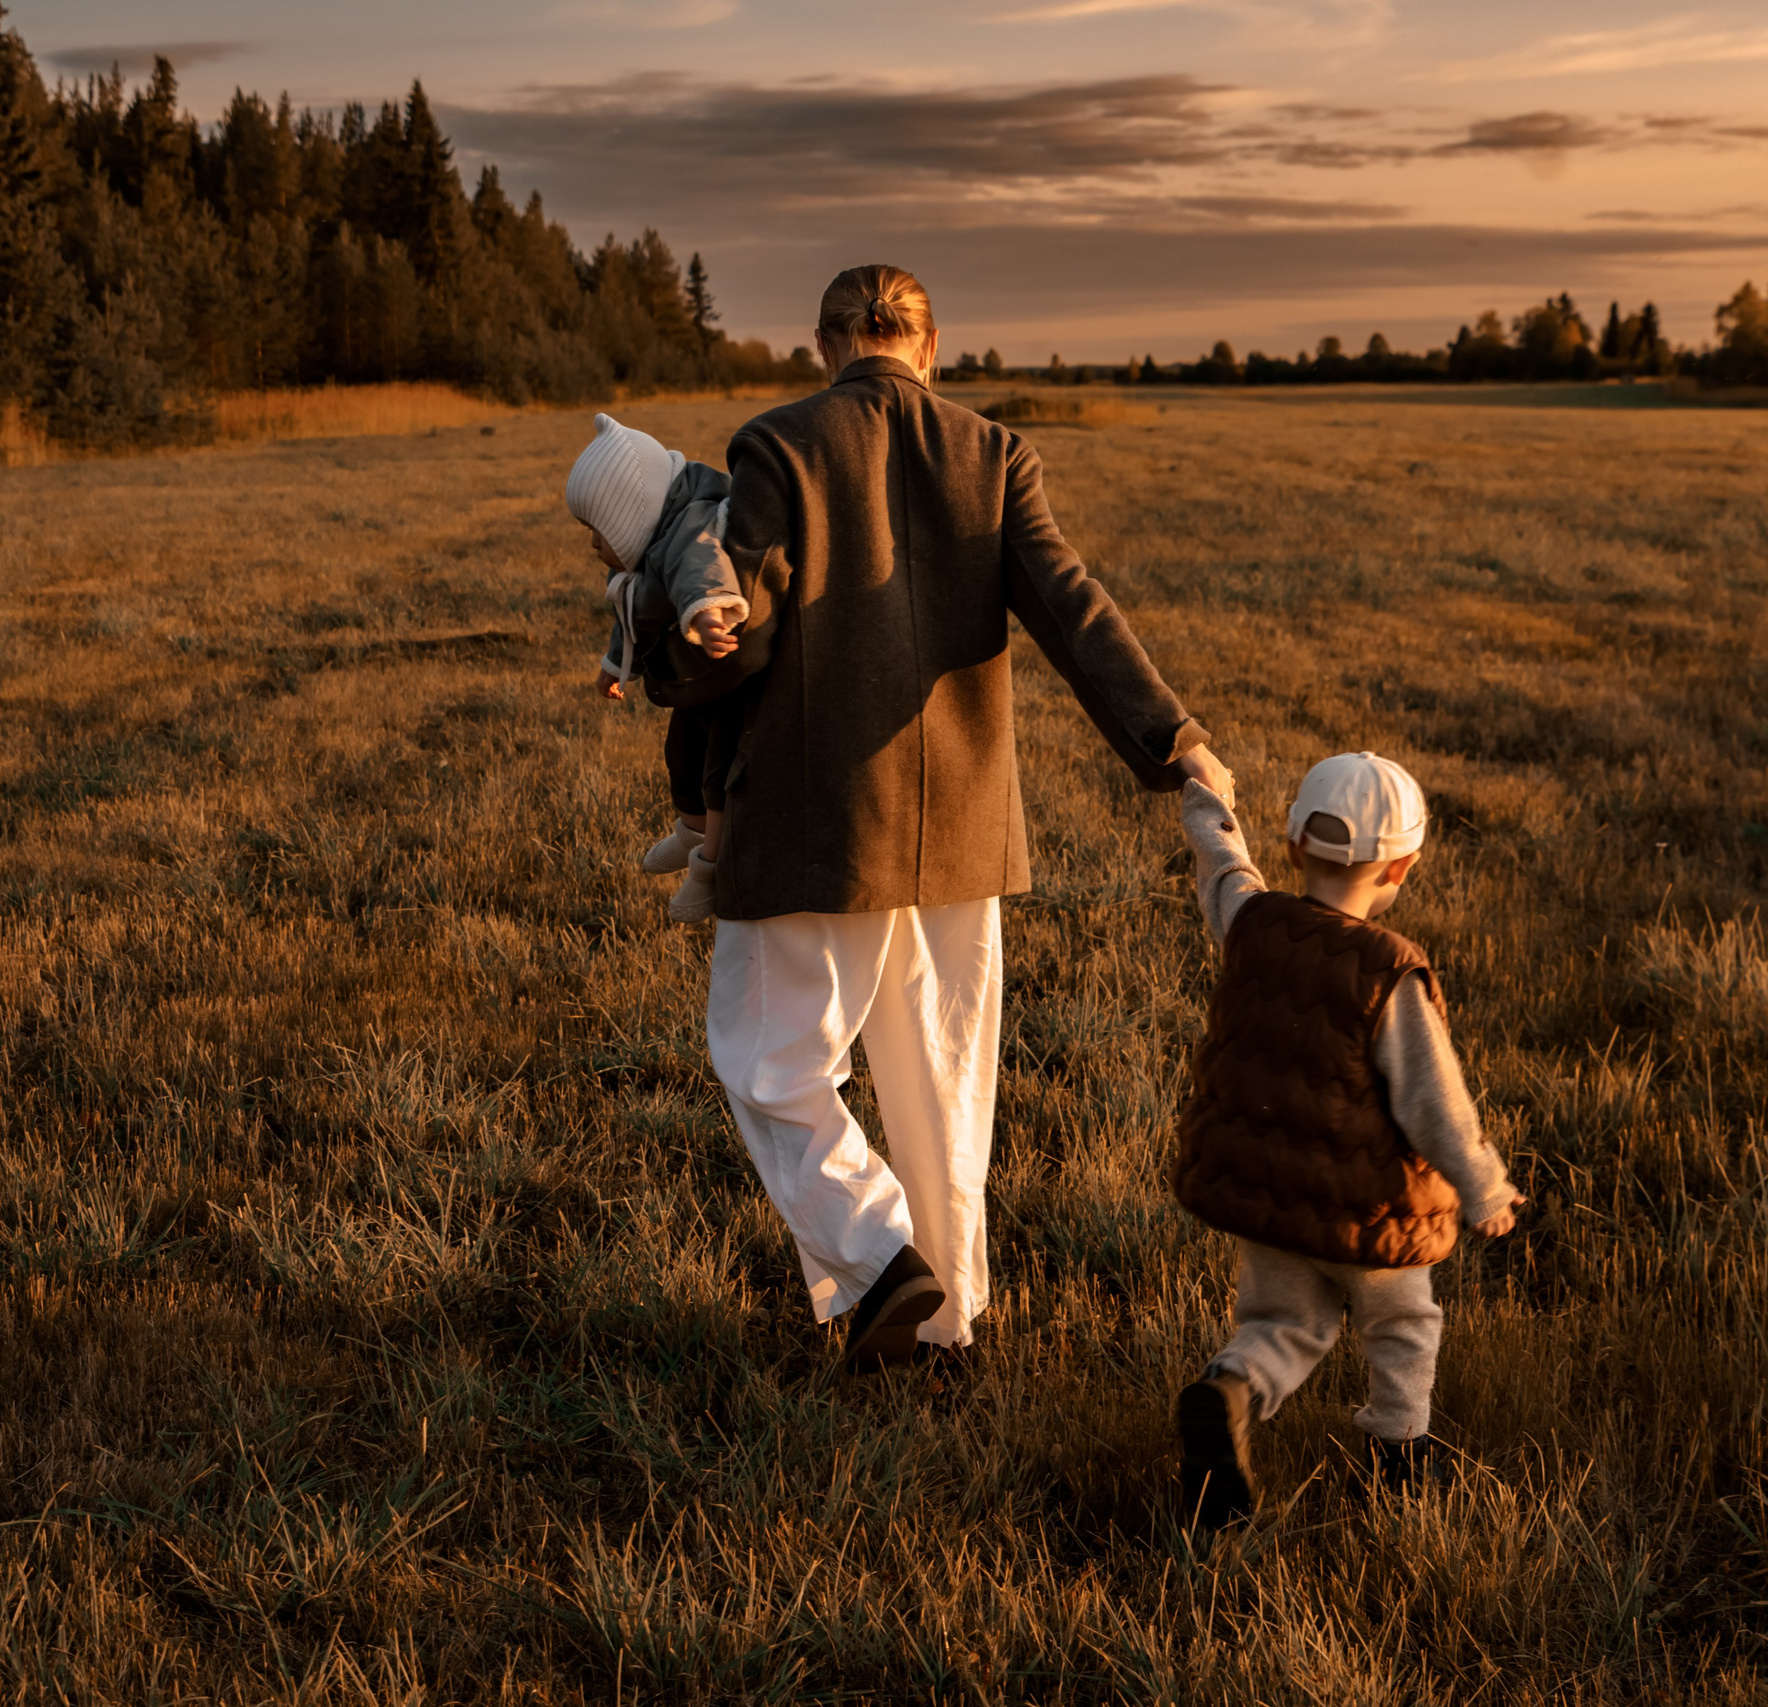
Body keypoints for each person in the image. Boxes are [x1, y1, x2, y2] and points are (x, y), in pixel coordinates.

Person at [699, 264, 1230, 1372]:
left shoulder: (776, 446)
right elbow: (1073, 606)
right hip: (963, 828)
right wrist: (1172, 741)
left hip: (816, 820)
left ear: (820, 345)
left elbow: (737, 641)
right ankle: (946, 1327)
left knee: (766, 1059)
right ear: (932, 348)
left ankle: (880, 1257)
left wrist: (666, 637)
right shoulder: (991, 455)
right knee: (944, 1086)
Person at [1169, 752, 1523, 1525]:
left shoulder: (1252, 922)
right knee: (1403, 1323)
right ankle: (1399, 1453)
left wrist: (1208, 802)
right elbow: (1436, 1103)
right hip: (1370, 1213)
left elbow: (1222, 868)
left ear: (1293, 844)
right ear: (1403, 865)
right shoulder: (1387, 971)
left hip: (1267, 1195)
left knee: (1281, 1324)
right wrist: (1483, 1188)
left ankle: (1229, 1390)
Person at [566, 413, 748, 922]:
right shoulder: (641, 558)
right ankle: (689, 831)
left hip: (722, 678)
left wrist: (709, 611)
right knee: (680, 755)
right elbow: (631, 612)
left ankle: (708, 867)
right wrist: (613, 665)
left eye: (596, 531)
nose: (593, 545)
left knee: (717, 772)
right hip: (693, 686)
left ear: (630, 515)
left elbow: (702, 567)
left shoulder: (687, 530)